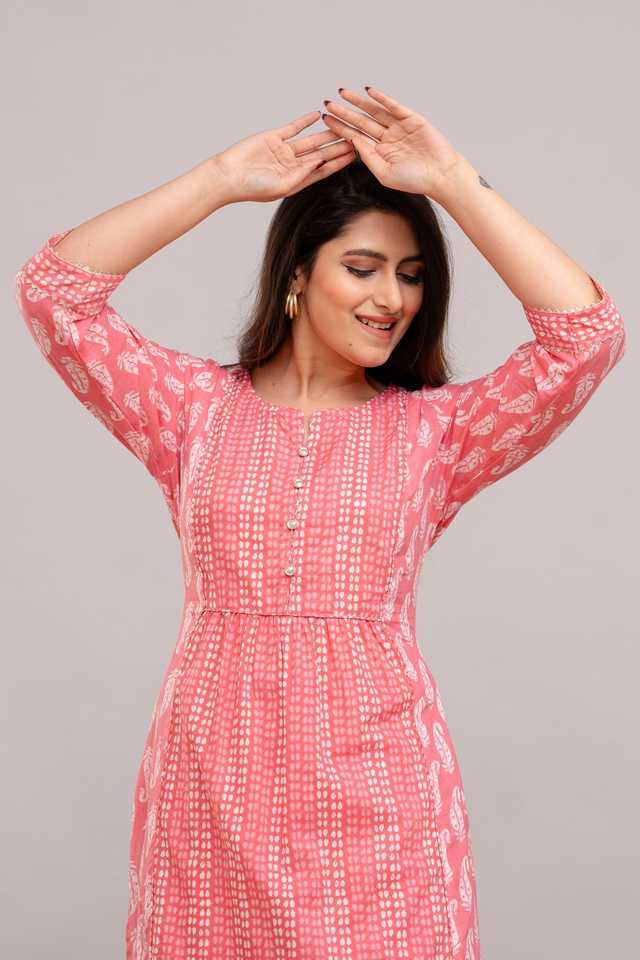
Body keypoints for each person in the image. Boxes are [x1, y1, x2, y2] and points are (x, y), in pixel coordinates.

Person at [15, 86, 626, 960]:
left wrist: (453, 181)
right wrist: (221, 179)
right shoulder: (192, 412)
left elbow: (585, 336)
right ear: (298, 275)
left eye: (412, 275)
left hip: (379, 788)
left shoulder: (436, 435)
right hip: (212, 780)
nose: (393, 298)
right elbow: (56, 294)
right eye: (364, 267)